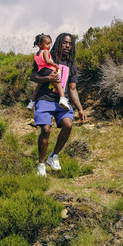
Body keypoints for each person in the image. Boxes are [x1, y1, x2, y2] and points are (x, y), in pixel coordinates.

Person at [29, 32, 87, 177]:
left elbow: (72, 89)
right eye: (64, 43)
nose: (67, 46)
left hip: (62, 101)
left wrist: (80, 109)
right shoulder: (47, 56)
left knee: (68, 124)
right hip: (45, 98)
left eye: (70, 44)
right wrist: (48, 77)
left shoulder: (72, 66)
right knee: (46, 130)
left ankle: (53, 156)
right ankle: (41, 164)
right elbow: (33, 76)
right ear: (58, 43)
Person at [27, 34, 70, 111]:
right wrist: (55, 65)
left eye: (50, 44)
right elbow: (47, 61)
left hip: (41, 71)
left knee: (37, 88)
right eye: (47, 44)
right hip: (48, 70)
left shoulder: (36, 54)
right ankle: (63, 99)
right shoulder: (45, 51)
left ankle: (32, 103)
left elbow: (34, 64)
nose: (49, 46)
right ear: (40, 44)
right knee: (58, 83)